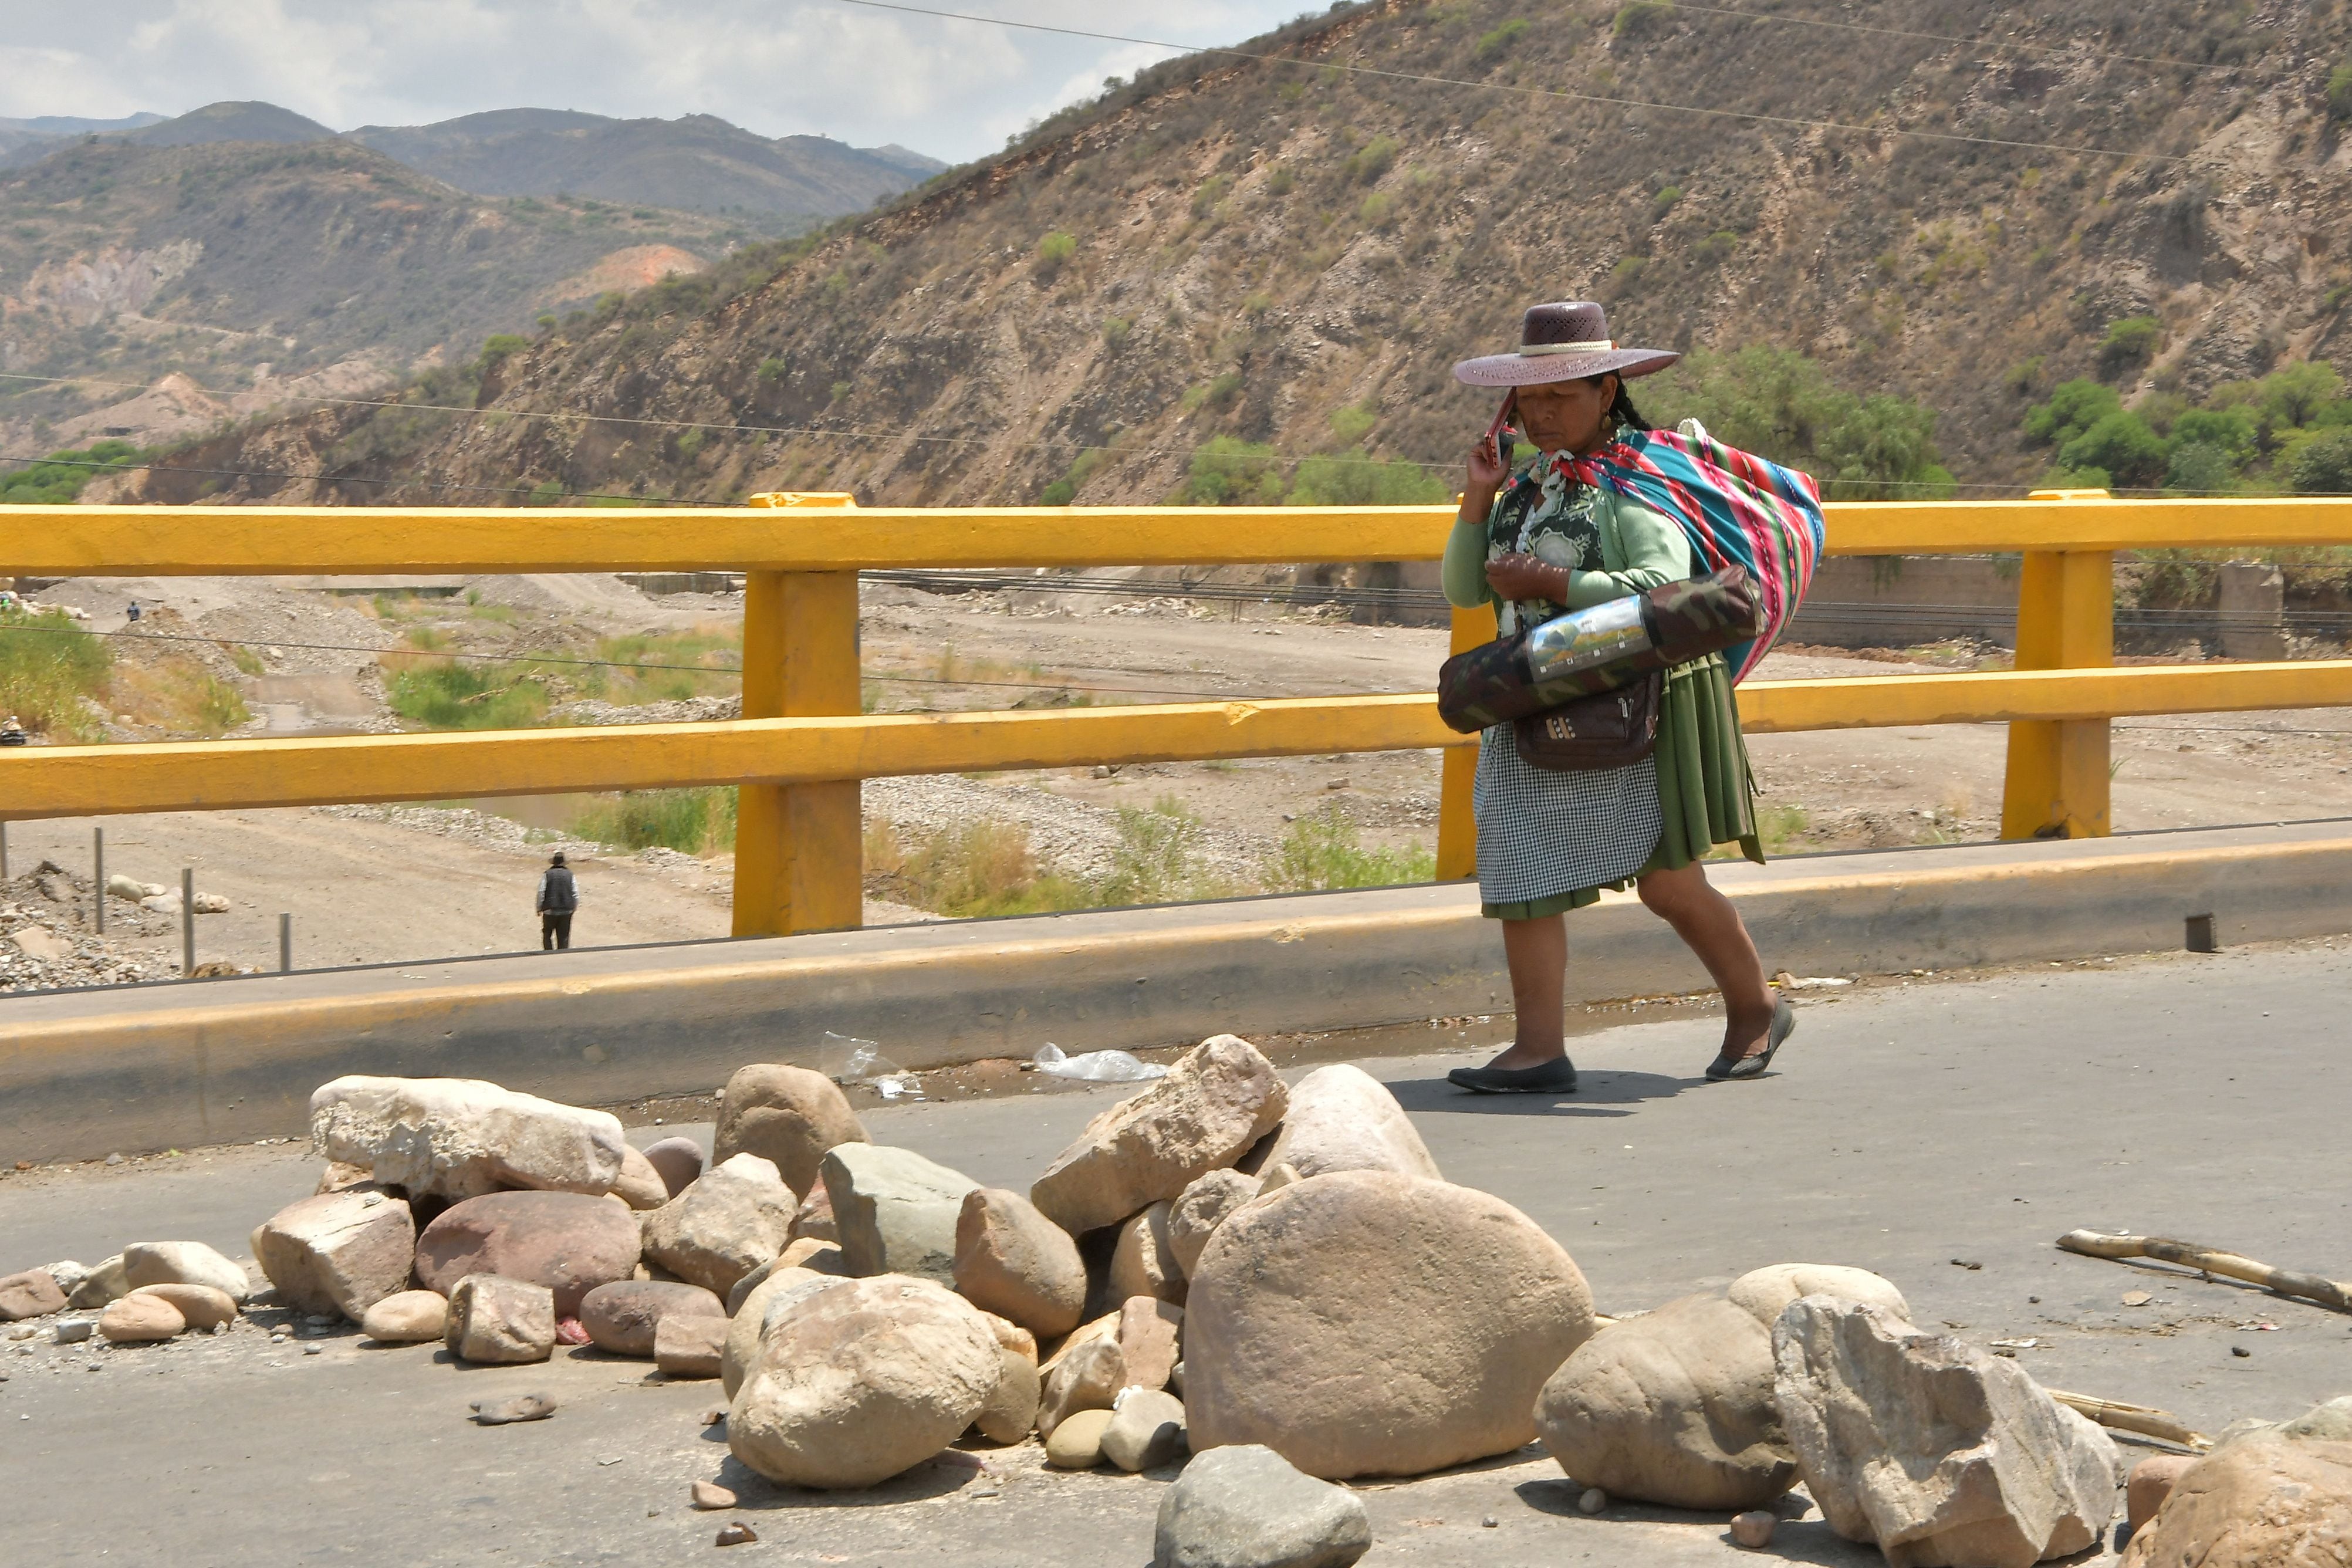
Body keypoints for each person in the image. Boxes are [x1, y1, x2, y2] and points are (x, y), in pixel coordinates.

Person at [1441, 300, 1791, 1093]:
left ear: (1608, 392)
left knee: (1667, 880)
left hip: (1640, 704)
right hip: (1536, 699)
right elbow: (1466, 588)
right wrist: (1477, 496)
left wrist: (1552, 582)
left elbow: (1662, 591)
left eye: (1562, 396)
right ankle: (1539, 1051)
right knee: (1519, 867)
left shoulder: (1634, 487)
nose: (1543, 414)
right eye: (1529, 400)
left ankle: (1757, 1009)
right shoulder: (1526, 487)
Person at [536, 851, 579, 950]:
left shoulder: (547, 874)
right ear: (564, 863)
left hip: (550, 910)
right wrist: (574, 906)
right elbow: (575, 892)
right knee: (564, 936)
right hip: (566, 910)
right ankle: (562, 956)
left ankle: (548, 954)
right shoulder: (570, 874)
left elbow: (541, 892)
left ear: (553, 863)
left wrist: (539, 907)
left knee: (547, 934)